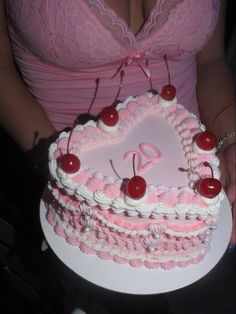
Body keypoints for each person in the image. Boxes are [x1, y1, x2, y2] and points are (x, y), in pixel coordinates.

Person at [0, 1, 235, 313]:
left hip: (195, 186)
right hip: (72, 198)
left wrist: (230, 139)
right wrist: (62, 174)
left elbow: (211, 62)